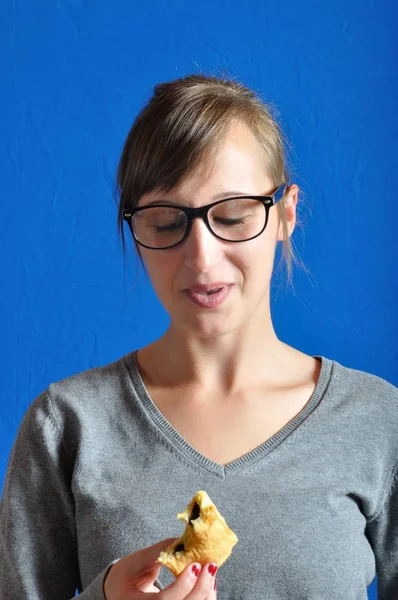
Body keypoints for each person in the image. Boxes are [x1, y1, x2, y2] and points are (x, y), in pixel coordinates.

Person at [1, 74, 397, 600]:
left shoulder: (377, 420)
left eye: (233, 216)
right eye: (166, 224)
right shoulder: (67, 425)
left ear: (286, 212)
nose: (202, 257)